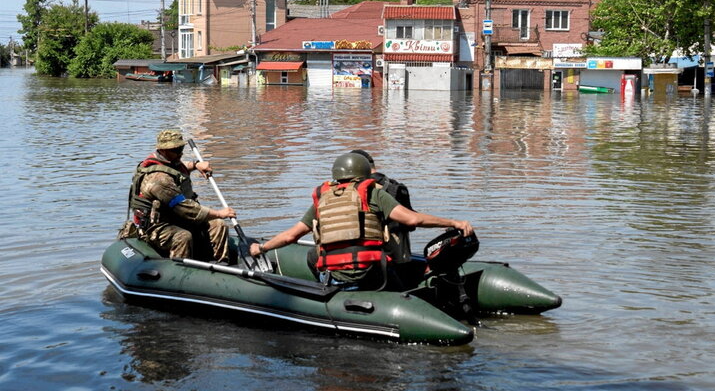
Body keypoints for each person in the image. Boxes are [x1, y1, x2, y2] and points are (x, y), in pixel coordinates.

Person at [249, 152, 473, 290]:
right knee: (395, 274)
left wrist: (262, 247)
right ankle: (400, 298)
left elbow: (292, 235)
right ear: (365, 173)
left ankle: (325, 291)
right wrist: (453, 222)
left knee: (312, 255)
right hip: (370, 274)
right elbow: (413, 219)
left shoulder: (323, 198)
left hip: (336, 277)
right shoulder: (372, 193)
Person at [127, 129, 236, 263]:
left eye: (181, 148)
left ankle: (222, 265)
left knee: (219, 225)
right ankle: (181, 273)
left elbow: (179, 167)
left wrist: (196, 165)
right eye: (176, 150)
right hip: (157, 226)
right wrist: (219, 213)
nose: (180, 153)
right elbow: (186, 209)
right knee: (183, 236)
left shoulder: (169, 161)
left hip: (176, 218)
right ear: (163, 150)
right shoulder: (159, 180)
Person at [349, 149, 414, 264]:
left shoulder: (352, 189)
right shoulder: (397, 187)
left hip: (367, 258)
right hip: (400, 257)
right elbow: (411, 224)